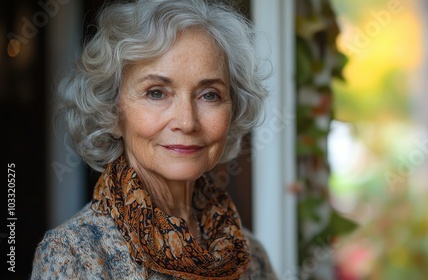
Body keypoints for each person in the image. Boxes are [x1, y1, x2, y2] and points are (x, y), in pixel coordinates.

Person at [31, 0, 276, 279]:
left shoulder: (248, 256)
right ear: (112, 111)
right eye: (156, 93)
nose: (187, 121)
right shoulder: (74, 255)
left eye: (209, 94)